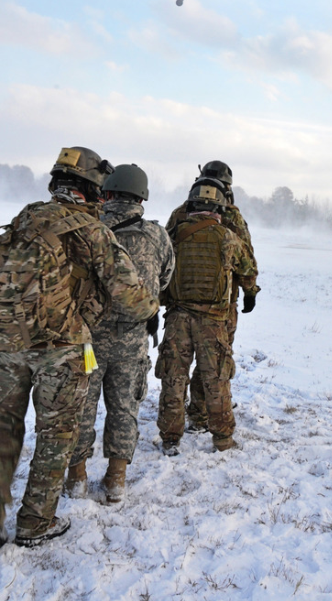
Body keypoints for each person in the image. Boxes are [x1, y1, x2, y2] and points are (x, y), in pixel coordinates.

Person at [0, 147, 157, 548]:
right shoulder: (93, 232)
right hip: (63, 349)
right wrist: (151, 308)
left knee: (3, 429)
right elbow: (133, 298)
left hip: (9, 343)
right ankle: (36, 522)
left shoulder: (25, 218)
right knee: (57, 434)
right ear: (94, 187)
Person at [66, 164, 174, 503]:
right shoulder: (157, 236)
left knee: (82, 405)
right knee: (125, 407)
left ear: (108, 191)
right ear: (142, 197)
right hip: (133, 340)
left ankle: (77, 478)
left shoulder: (88, 226)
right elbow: (165, 278)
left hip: (88, 340)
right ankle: (116, 481)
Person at [157, 177, 259, 455]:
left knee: (173, 378)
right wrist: (250, 293)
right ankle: (222, 439)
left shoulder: (171, 236)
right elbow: (248, 270)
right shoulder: (227, 237)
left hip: (177, 317)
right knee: (216, 380)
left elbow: (159, 273)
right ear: (219, 208)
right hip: (212, 321)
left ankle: (170, 438)